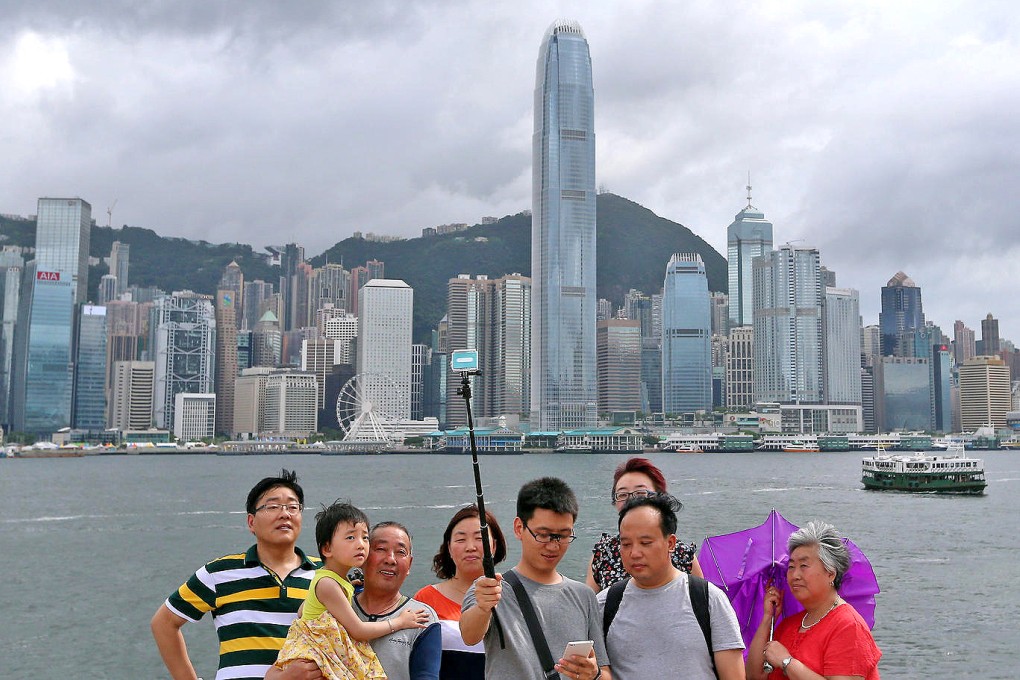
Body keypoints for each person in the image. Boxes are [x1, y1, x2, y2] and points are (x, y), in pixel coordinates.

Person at [151, 469, 321, 680]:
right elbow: (164, 623)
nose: (285, 513)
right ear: (251, 522)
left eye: (293, 507)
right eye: (273, 506)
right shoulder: (220, 573)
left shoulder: (324, 575)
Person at [461, 477, 610, 680]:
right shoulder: (489, 589)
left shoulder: (584, 596)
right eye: (543, 534)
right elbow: (469, 636)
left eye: (563, 535)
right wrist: (482, 607)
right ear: (518, 528)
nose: (553, 546)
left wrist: (594, 674)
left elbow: (604, 672)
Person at [273, 502, 430, 679]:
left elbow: (302, 612)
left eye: (365, 538)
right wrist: (400, 622)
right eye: (350, 538)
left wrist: (344, 590)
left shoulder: (333, 581)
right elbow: (359, 631)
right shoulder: (328, 585)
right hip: (314, 659)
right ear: (327, 549)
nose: (360, 544)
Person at [598, 493, 745, 680]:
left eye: (645, 543)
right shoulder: (605, 604)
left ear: (671, 543)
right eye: (626, 544)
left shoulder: (708, 599)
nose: (634, 553)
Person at [747, 521, 881, 680]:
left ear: (831, 573)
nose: (795, 575)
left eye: (804, 565)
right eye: (791, 567)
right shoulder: (789, 625)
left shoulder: (848, 626)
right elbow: (754, 676)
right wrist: (768, 619)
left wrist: (787, 662)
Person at [414, 505, 508, 679]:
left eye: (480, 538)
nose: (470, 547)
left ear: (494, 546)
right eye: (460, 540)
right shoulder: (426, 599)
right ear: (449, 548)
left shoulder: (512, 598)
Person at [586, 457, 703, 592]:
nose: (631, 500)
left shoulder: (682, 553)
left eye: (640, 493)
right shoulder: (603, 554)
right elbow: (590, 607)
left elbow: (701, 601)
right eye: (623, 494)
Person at [353, 521, 443, 680]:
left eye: (401, 552)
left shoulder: (423, 618)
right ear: (363, 556)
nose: (390, 559)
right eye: (380, 549)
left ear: (410, 564)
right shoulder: (339, 608)